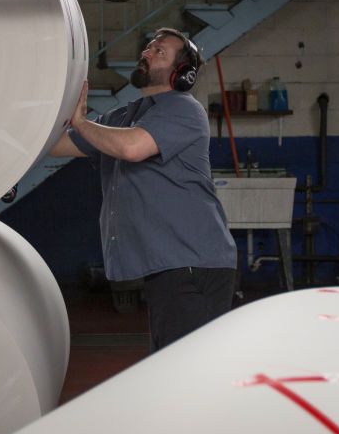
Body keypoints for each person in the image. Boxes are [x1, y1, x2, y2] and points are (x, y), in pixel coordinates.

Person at [50, 27, 237, 352]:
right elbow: (61, 145)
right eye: (149, 47)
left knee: (187, 372)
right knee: (173, 366)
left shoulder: (184, 109)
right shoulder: (127, 115)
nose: (146, 53)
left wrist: (80, 122)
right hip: (169, 265)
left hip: (193, 264)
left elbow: (133, 148)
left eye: (159, 51)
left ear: (181, 73)